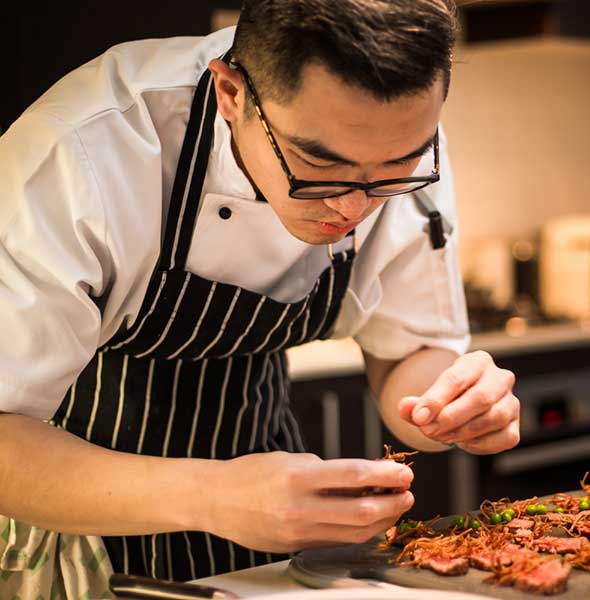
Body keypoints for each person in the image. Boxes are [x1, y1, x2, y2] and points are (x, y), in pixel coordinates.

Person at [0, 0, 520, 595]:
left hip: (271, 533)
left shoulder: (394, 138)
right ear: (231, 95)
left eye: (396, 169)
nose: (353, 208)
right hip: (77, 529)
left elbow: (408, 352)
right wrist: (212, 495)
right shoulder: (85, 151)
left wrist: (450, 404)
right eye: (318, 165)